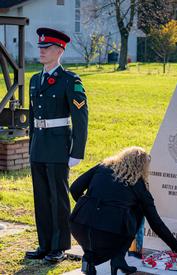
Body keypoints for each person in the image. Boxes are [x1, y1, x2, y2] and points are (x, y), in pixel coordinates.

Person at [70, 146, 177, 275]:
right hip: (110, 234)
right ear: (142, 167)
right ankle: (117, 259)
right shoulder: (139, 185)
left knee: (98, 227)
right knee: (138, 210)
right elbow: (155, 222)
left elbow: (74, 188)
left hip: (78, 226)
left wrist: (87, 206)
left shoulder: (101, 167)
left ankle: (90, 259)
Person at [26, 28, 88, 263]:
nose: (41, 51)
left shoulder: (70, 80)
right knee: (41, 197)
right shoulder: (35, 79)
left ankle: (59, 246)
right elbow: (33, 117)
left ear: (59, 51)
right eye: (40, 47)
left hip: (59, 145)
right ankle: (44, 244)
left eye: (47, 48)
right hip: (39, 145)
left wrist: (77, 151)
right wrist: (31, 144)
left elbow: (81, 118)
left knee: (57, 197)